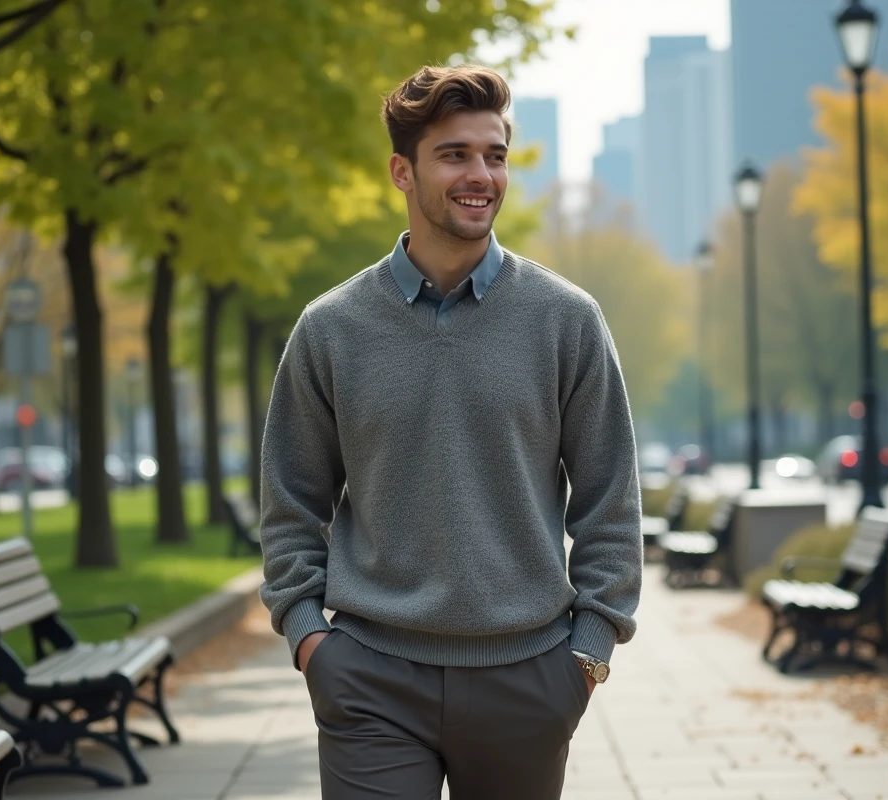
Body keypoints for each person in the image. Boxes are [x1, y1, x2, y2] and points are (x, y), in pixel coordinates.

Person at [258, 63, 642, 800]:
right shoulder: (330, 330)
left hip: (528, 680)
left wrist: (586, 657)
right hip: (370, 678)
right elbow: (290, 500)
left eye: (494, 155)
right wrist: (312, 640)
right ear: (402, 171)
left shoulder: (567, 321)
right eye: (455, 154)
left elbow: (610, 503)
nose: (482, 175)